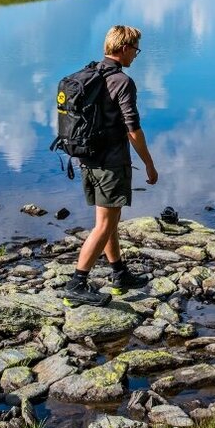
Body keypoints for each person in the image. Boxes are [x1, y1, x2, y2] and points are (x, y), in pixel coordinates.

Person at [63, 25, 158, 306]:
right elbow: (133, 130)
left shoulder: (90, 73)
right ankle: (77, 283)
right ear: (124, 48)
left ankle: (119, 273)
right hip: (111, 162)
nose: (136, 56)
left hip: (87, 158)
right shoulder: (122, 82)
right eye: (136, 49)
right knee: (105, 224)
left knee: (108, 221)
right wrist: (149, 165)